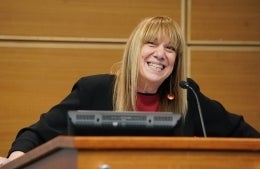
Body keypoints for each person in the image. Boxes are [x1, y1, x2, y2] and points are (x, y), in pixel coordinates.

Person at [0, 16, 259, 166]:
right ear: (135, 49)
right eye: (152, 43)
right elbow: (36, 133)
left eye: (170, 48)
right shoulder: (95, 89)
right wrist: (15, 160)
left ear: (176, 60)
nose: (160, 54)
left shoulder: (188, 97)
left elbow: (243, 134)